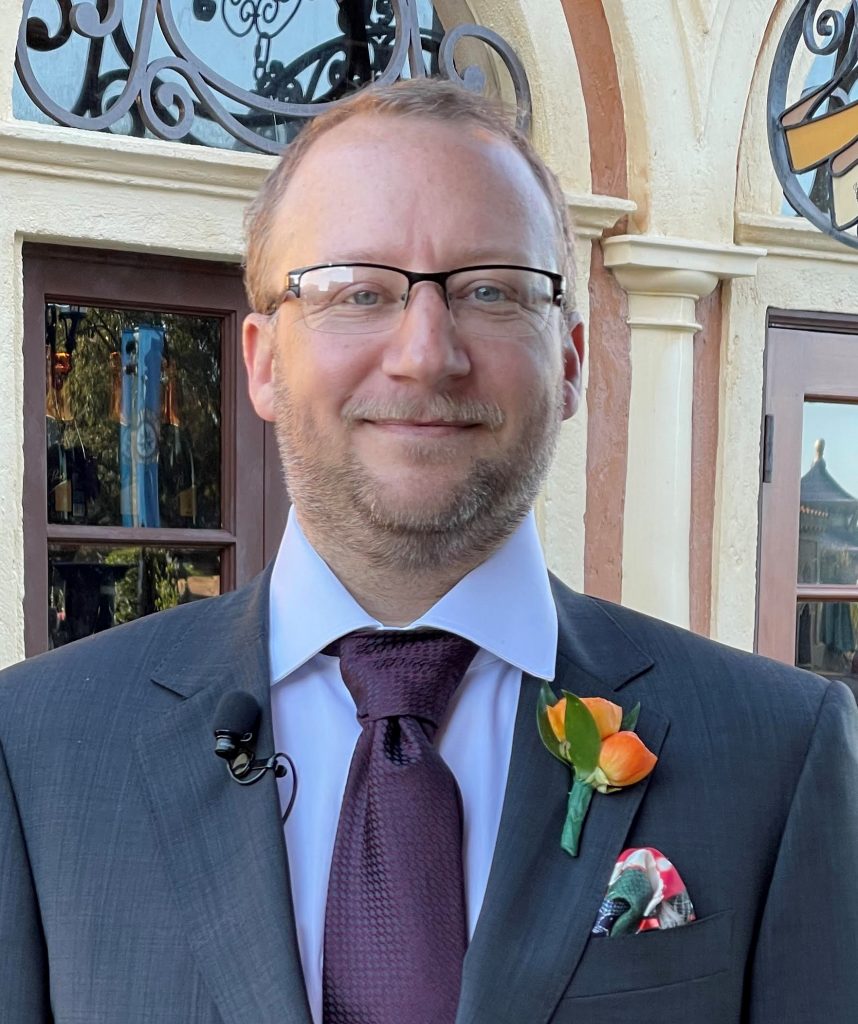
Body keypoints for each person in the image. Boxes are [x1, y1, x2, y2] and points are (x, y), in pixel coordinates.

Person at [1, 78, 857, 1024]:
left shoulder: (779, 751)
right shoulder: (35, 751)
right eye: (357, 291)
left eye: (491, 291)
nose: (423, 353)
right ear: (262, 361)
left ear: (570, 360)